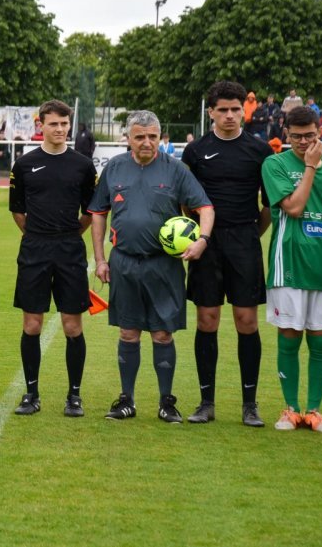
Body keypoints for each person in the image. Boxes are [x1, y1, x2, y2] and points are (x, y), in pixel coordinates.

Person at [90, 110, 213, 422]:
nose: (147, 142)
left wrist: (203, 240)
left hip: (164, 266)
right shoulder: (114, 168)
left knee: (162, 335)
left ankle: (166, 402)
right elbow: (98, 213)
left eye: (153, 137)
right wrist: (101, 260)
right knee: (128, 332)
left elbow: (205, 207)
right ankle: (126, 400)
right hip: (124, 262)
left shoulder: (175, 170)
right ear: (129, 138)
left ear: (160, 137)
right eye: (140, 137)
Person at [181, 81, 273, 426]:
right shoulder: (196, 152)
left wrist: (249, 236)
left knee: (246, 321)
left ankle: (250, 404)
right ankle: (206, 402)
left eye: (236, 109)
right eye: (223, 110)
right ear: (211, 113)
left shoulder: (260, 151)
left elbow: (269, 206)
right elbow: (185, 201)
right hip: (206, 245)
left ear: (243, 110)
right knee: (207, 320)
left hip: (244, 242)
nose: (231, 115)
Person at [10, 101, 97, 417]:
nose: (60, 129)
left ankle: (74, 396)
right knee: (32, 324)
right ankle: (31, 393)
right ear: (40, 125)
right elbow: (18, 212)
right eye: (54, 124)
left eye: (64, 124)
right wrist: (37, 236)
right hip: (34, 250)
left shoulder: (83, 165)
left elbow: (90, 211)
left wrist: (72, 235)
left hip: (70, 251)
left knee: (73, 325)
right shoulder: (25, 164)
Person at [261, 106, 322, 432]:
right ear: (286, 133)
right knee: (290, 337)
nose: (302, 141)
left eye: (309, 135)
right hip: (289, 265)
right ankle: (290, 409)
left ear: (319, 131)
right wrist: (310, 167)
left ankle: (314, 411)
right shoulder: (275, 163)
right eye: (295, 136)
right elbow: (293, 208)